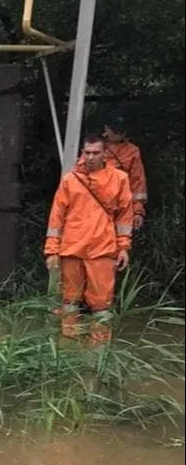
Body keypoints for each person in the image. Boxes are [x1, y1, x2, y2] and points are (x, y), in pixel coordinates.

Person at [45, 134, 134, 344]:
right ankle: (68, 347)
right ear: (82, 153)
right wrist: (51, 251)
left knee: (102, 304)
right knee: (69, 301)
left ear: (105, 154)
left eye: (95, 153)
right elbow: (56, 218)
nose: (91, 157)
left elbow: (124, 216)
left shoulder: (119, 178)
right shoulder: (70, 180)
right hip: (72, 248)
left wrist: (123, 247)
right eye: (87, 153)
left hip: (103, 249)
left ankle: (99, 351)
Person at [101, 108, 148, 230]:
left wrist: (138, 211)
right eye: (116, 131)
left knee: (121, 242)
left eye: (122, 132)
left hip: (121, 206)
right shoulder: (95, 148)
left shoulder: (132, 151)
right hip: (96, 204)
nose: (119, 135)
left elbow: (138, 182)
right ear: (106, 128)